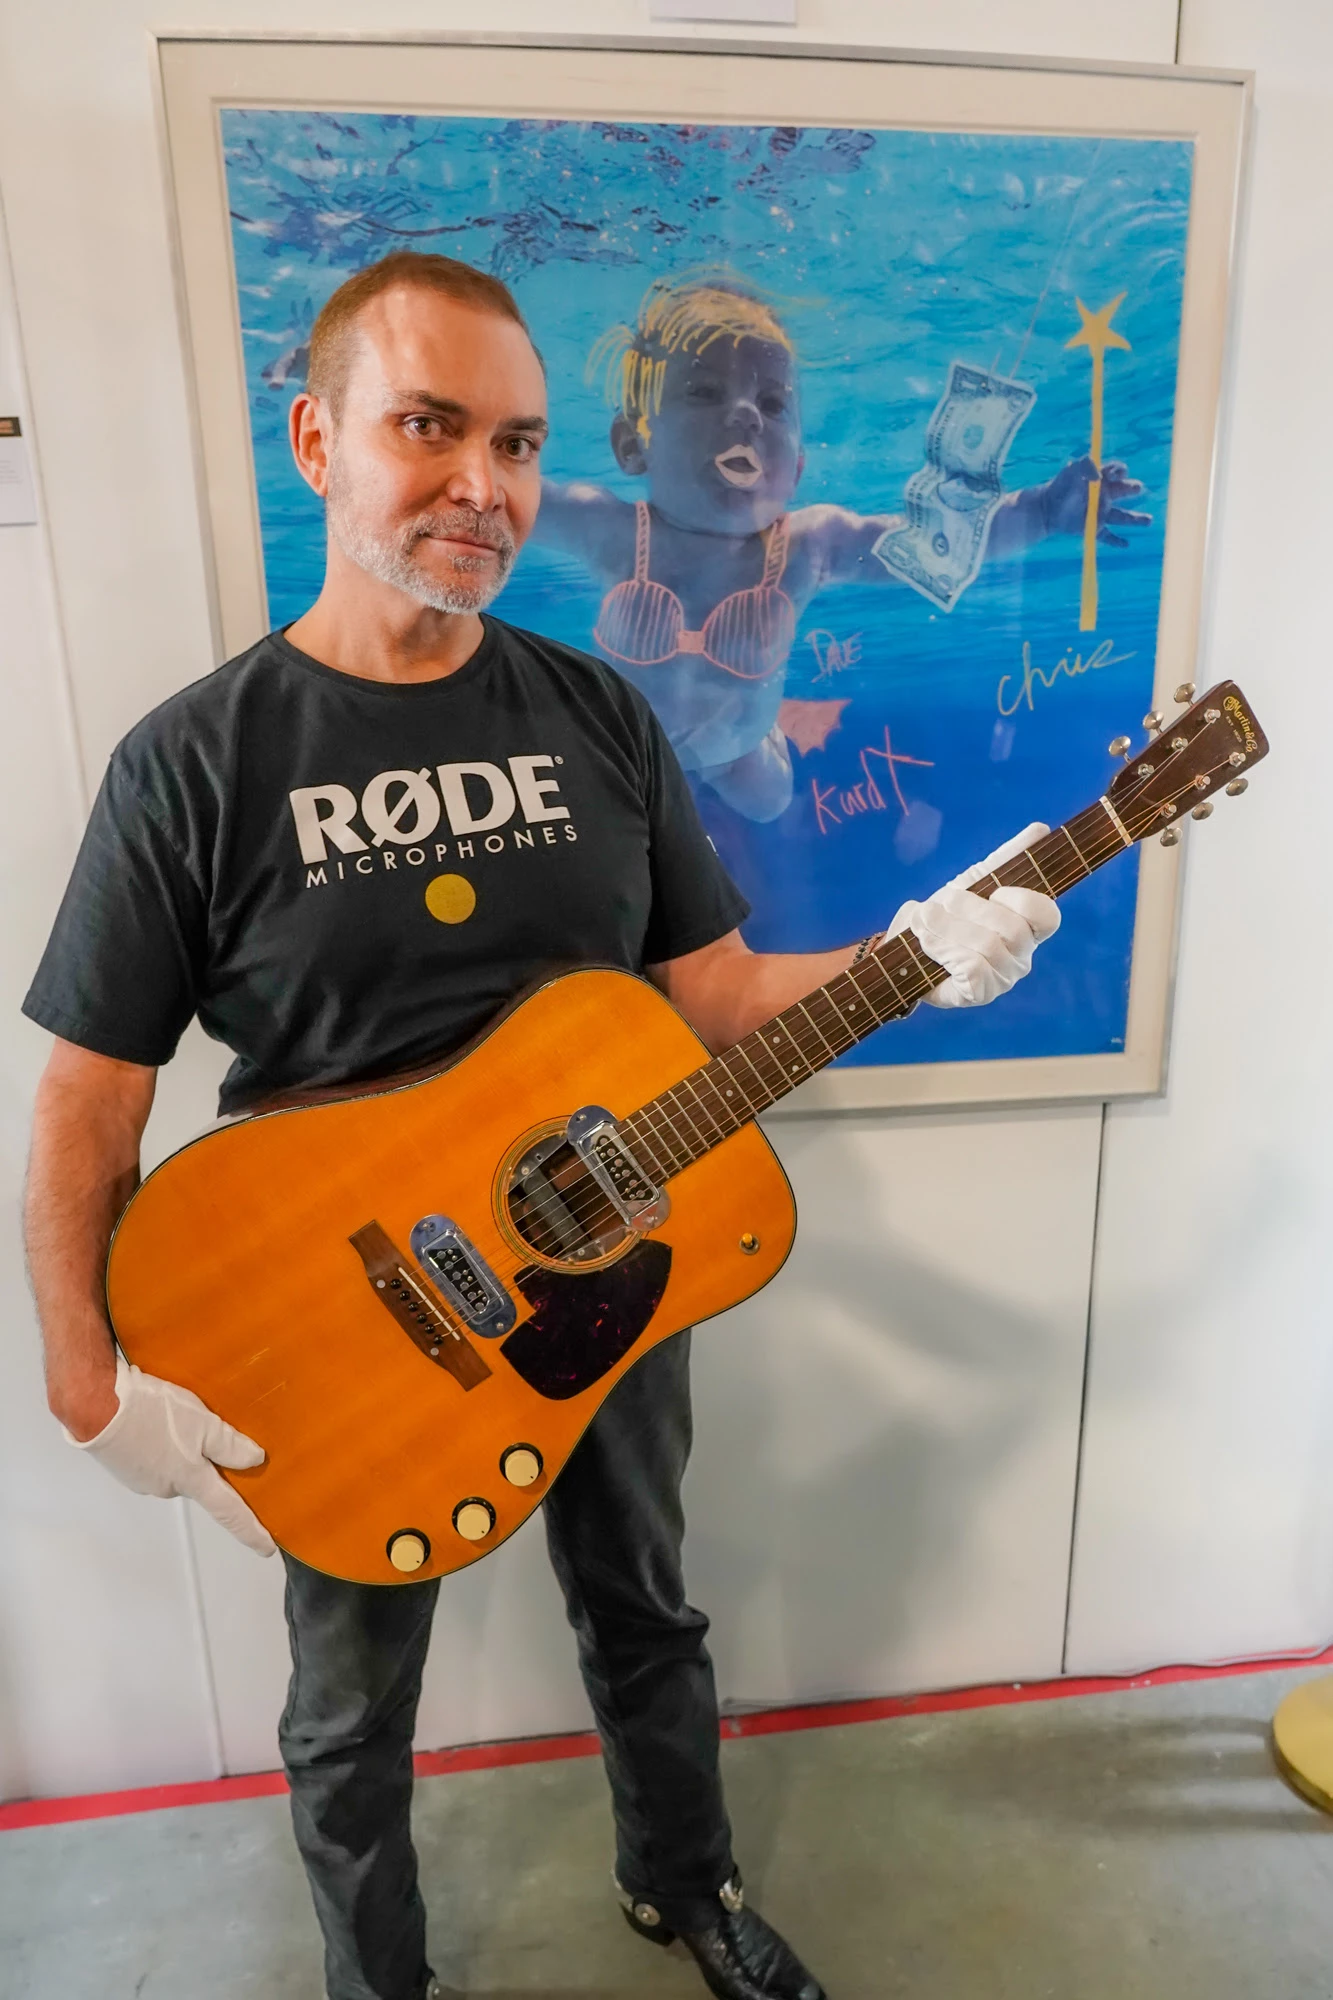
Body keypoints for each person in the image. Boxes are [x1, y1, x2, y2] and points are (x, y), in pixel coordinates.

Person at [22, 250, 1059, 2000]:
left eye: (514, 443)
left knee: (646, 1608)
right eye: (428, 428)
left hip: (608, 1253)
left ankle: (687, 1886)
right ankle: (381, 1983)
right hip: (333, 1319)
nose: (480, 488)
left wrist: (907, 954)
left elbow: (712, 997)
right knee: (348, 1702)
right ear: (318, 438)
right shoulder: (193, 763)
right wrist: (83, 1379)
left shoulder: (597, 717)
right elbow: (86, 1097)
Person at [533, 273, 1149, 819]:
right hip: (627, 754)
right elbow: (499, 499)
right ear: (632, 443)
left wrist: (1040, 512)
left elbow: (929, 548)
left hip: (736, 750)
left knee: (770, 805)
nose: (747, 414)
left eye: (772, 403)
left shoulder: (807, 545)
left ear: (795, 470)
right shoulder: (610, 528)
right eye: (704, 391)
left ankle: (772, 731)